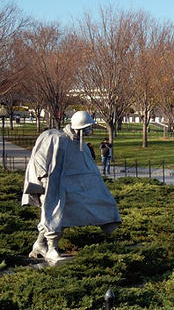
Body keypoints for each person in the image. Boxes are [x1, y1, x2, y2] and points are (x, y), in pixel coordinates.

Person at [22, 111, 121, 264]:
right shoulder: (56, 138)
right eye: (88, 127)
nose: (90, 130)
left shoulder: (79, 144)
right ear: (81, 127)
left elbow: (88, 169)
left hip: (68, 187)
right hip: (51, 185)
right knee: (53, 213)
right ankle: (51, 248)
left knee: (60, 214)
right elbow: (39, 159)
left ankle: (39, 245)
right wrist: (42, 179)